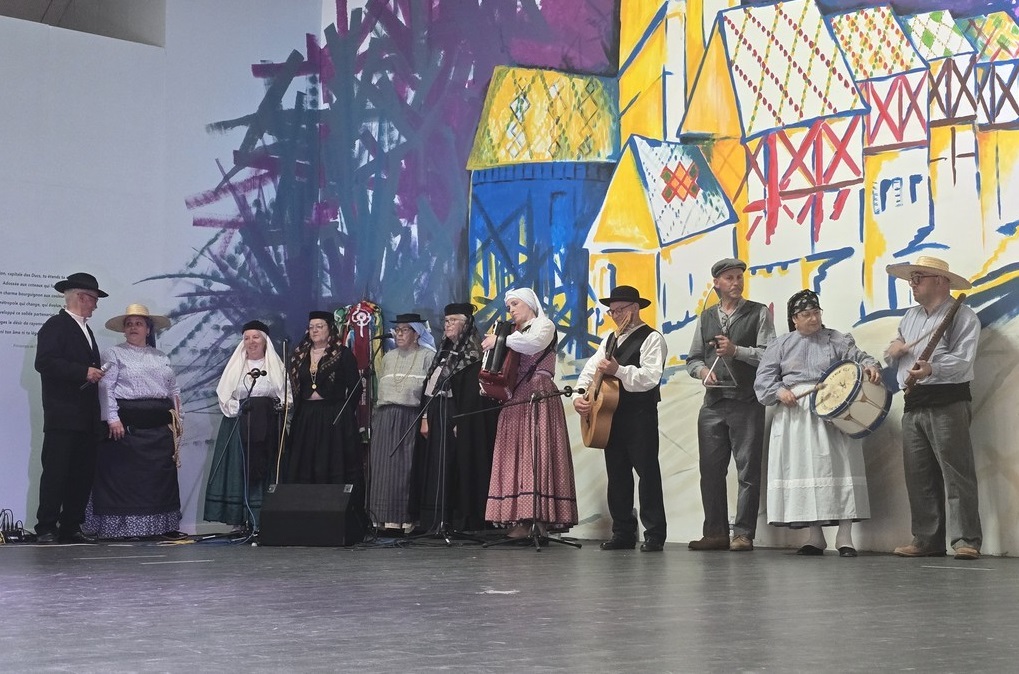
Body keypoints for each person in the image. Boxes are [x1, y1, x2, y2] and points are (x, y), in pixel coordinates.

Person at [754, 290, 880, 557]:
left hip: (833, 409)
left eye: (816, 313)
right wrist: (779, 391)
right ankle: (815, 536)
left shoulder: (836, 339)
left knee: (841, 468)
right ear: (794, 319)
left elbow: (861, 357)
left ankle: (845, 538)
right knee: (805, 469)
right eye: (806, 314)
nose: (813, 319)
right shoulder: (781, 344)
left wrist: (870, 366)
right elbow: (763, 381)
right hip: (797, 415)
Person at [885, 256, 982, 560]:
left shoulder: (963, 316)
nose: (912, 284)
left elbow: (963, 360)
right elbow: (896, 351)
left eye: (918, 278)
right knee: (919, 475)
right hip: (914, 401)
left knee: (956, 473)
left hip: (947, 400)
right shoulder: (910, 317)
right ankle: (927, 540)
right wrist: (892, 351)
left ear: (940, 281)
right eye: (911, 279)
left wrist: (932, 368)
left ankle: (966, 540)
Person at [686, 258, 775, 552]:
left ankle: (743, 534)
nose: (736, 282)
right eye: (730, 278)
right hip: (713, 403)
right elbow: (693, 359)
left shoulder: (759, 312)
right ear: (717, 283)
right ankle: (715, 533)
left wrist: (736, 351)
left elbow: (769, 356)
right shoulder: (706, 317)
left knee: (748, 472)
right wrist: (702, 372)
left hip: (746, 401)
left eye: (739, 277)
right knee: (710, 472)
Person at [575, 285, 668, 552]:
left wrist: (619, 370)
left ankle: (654, 534)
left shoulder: (652, 338)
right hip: (610, 414)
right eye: (612, 311)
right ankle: (623, 531)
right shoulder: (609, 339)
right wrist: (580, 396)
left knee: (647, 473)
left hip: (640, 414)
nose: (615, 315)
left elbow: (650, 378)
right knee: (617, 475)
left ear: (635, 308)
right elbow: (590, 371)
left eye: (619, 310)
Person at [84, 304, 185, 540]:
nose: (133, 327)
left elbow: (173, 389)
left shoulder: (160, 357)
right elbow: (106, 387)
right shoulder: (113, 353)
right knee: (125, 479)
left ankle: (160, 527)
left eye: (138, 323)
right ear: (123, 330)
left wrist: (179, 420)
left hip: (159, 429)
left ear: (148, 329)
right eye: (129, 324)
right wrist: (112, 418)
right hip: (127, 428)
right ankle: (123, 529)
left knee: (158, 480)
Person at [484, 288, 578, 538]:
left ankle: (539, 519)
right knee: (516, 455)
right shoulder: (511, 332)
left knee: (537, 453)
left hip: (538, 392)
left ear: (529, 304)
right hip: (515, 396)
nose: (511, 310)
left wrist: (500, 341)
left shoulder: (544, 325)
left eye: (515, 304)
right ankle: (520, 518)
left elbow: (533, 344)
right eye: (509, 306)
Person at [34, 272, 108, 544]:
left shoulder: (86, 330)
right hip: (63, 415)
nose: (96, 305)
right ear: (81, 297)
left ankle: (71, 526)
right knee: (56, 472)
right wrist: (83, 372)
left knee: (81, 474)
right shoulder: (56, 325)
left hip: (86, 417)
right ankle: (46, 527)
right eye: (94, 299)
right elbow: (44, 362)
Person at [414, 303, 497, 533]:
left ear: (466, 323)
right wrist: (425, 417)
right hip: (437, 411)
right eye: (446, 320)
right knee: (437, 466)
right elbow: (430, 386)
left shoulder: (474, 354)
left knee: (457, 465)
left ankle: (460, 520)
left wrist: (462, 421)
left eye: (453, 320)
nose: (447, 325)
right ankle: (435, 520)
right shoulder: (443, 351)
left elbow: (473, 395)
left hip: (459, 415)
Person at [203, 319, 289, 531]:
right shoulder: (236, 367)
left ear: (265, 341)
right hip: (239, 425)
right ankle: (240, 520)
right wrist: (240, 408)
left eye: (256, 337)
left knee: (267, 470)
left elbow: (286, 397)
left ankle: (264, 520)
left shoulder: (275, 366)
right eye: (247, 338)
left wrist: (270, 408)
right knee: (239, 470)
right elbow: (225, 396)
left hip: (268, 427)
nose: (251, 342)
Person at [368, 312, 434, 533]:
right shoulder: (388, 357)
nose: (399, 334)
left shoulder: (427, 356)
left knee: (404, 469)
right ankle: (381, 518)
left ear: (417, 334)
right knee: (382, 467)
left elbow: (430, 394)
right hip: (385, 416)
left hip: (410, 417)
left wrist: (425, 418)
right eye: (397, 330)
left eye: (404, 330)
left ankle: (404, 518)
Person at [284, 311, 362, 489]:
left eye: (319, 326)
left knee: (332, 460)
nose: (314, 330)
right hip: (306, 416)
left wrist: (345, 413)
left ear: (330, 329)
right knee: (305, 461)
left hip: (334, 415)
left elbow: (355, 388)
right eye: (311, 327)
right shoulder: (299, 355)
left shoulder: (342, 354)